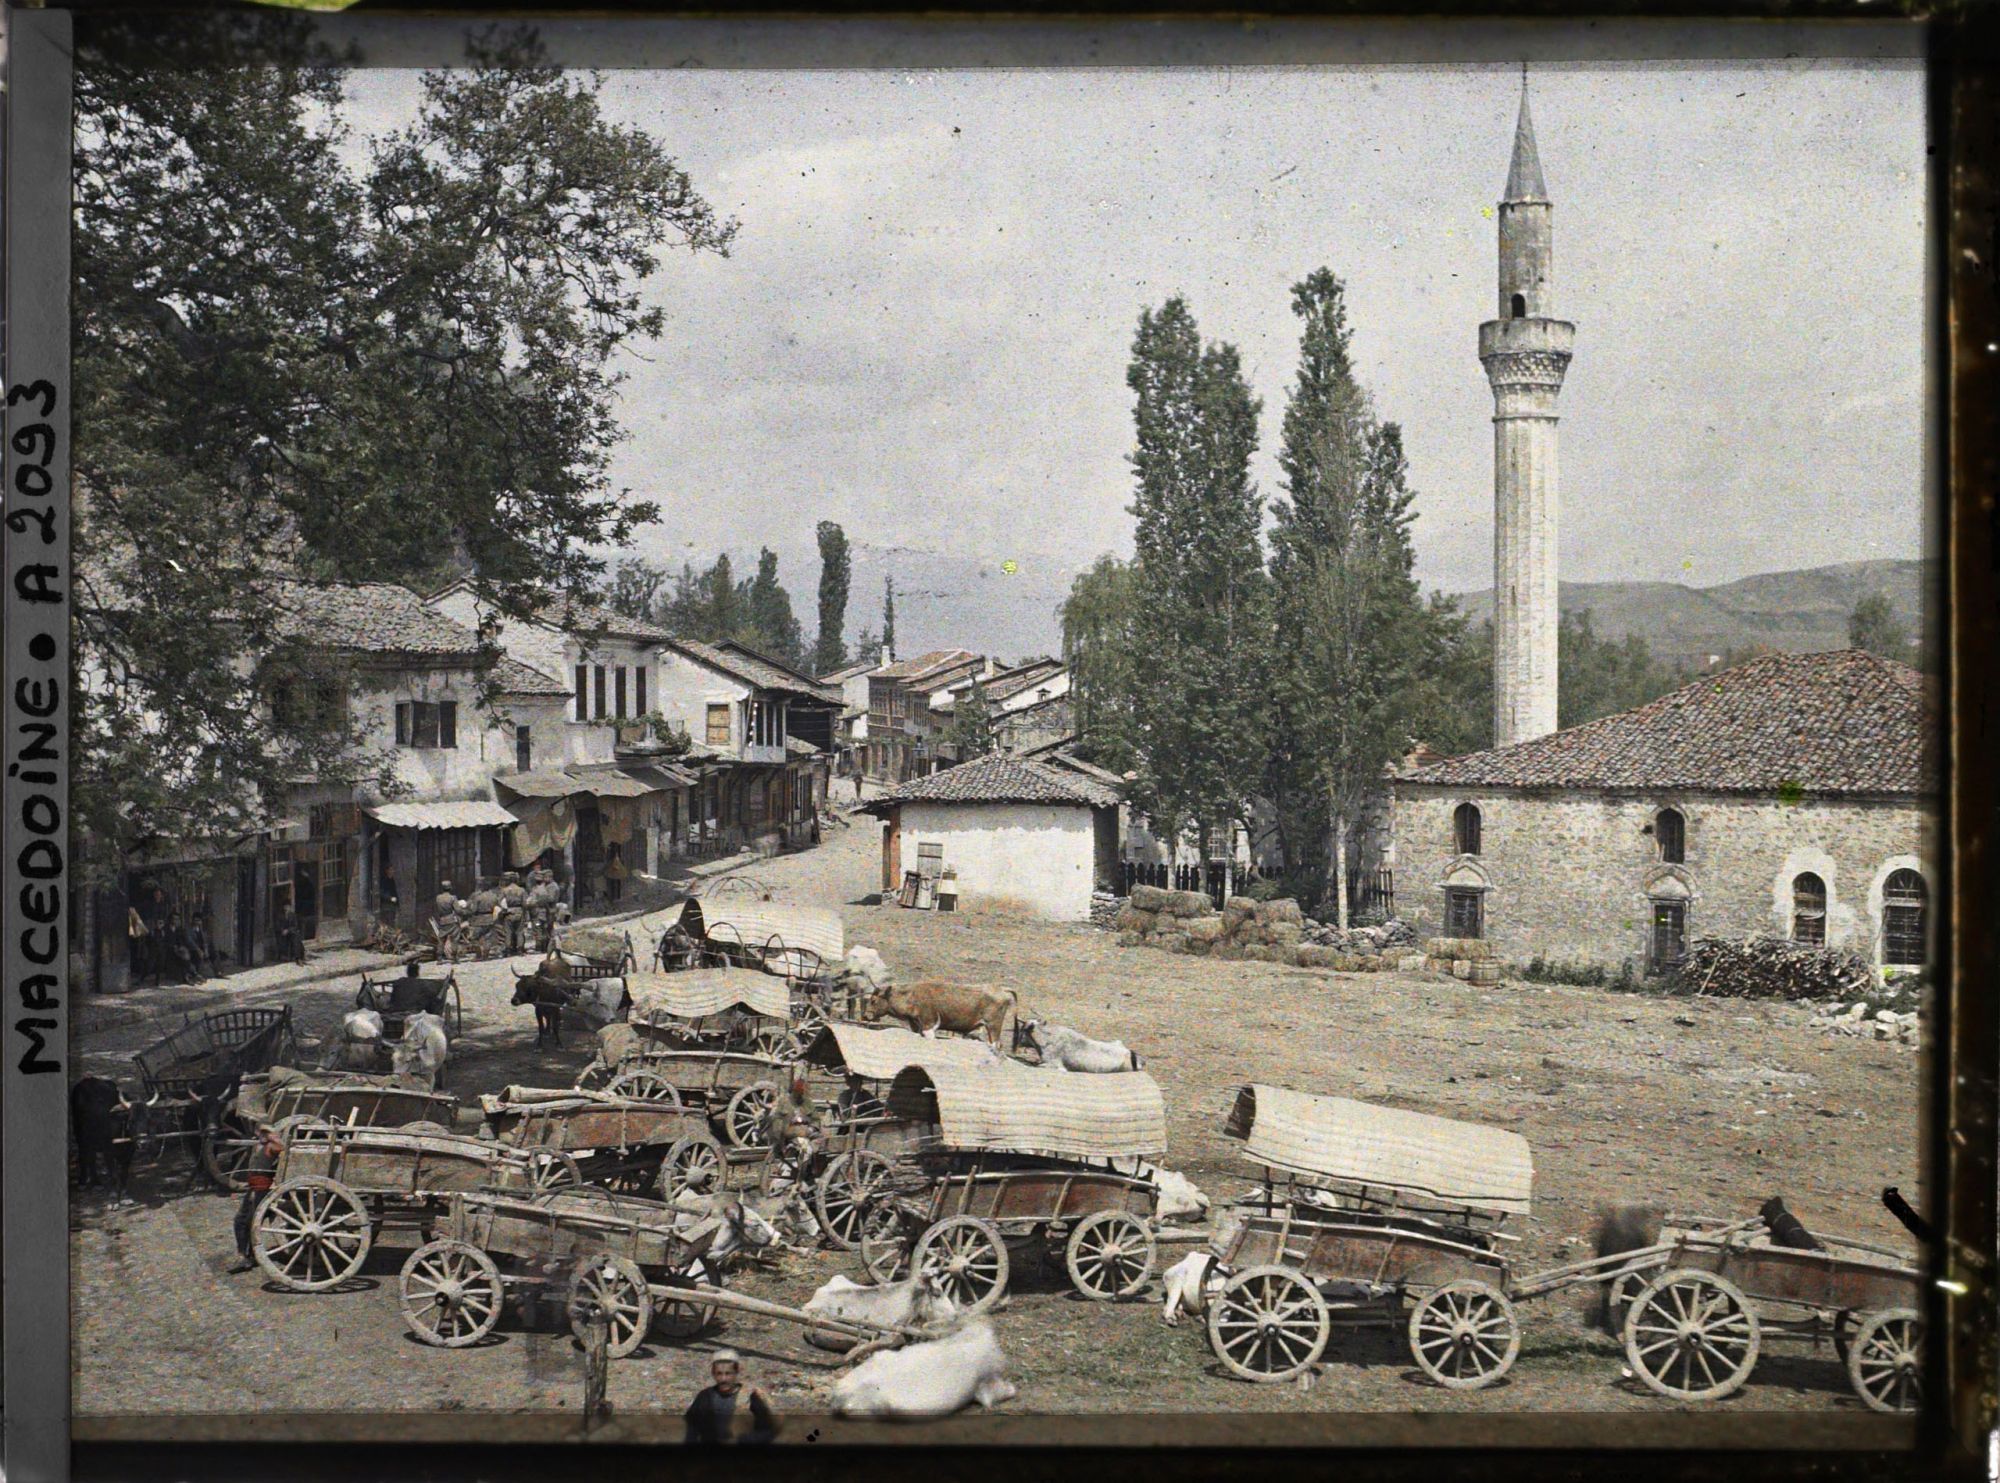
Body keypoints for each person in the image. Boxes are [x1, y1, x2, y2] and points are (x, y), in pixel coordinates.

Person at [683, 1350, 778, 1445]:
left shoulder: (751, 1398)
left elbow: (769, 1431)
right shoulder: (705, 1396)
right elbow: (692, 1429)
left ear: (736, 1373)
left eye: (728, 1373)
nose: (723, 1379)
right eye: (719, 1373)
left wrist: (743, 1440)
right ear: (713, 1374)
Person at [228, 1125, 288, 1272]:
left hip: (261, 1189)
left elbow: (284, 1149)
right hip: (253, 1187)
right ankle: (245, 1254)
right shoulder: (260, 1147)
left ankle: (246, 1256)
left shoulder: (271, 1146)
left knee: (249, 1221)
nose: (259, 1135)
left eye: (263, 1133)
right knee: (240, 1220)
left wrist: (274, 1136)